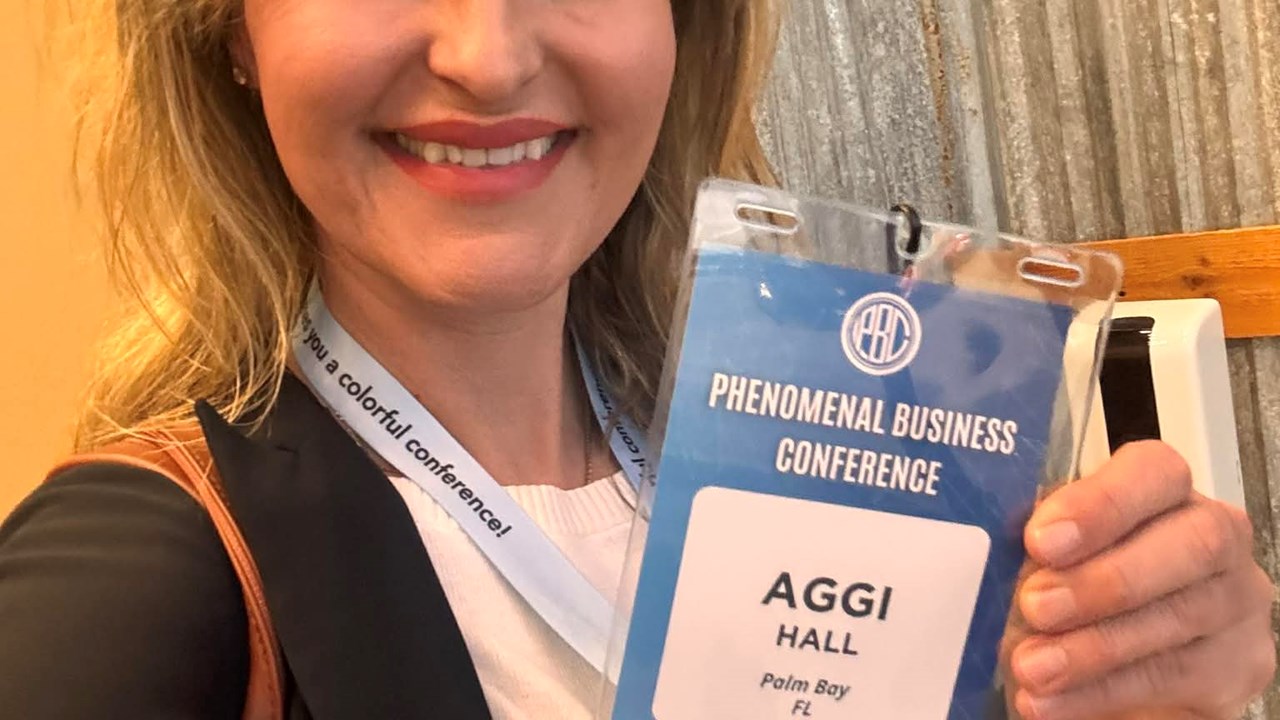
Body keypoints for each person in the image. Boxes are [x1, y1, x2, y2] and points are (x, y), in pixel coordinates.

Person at [0, 0, 1272, 718]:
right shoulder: (143, 583)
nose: (487, 58)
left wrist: (1152, 684)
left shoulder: (842, 462)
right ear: (231, 30)